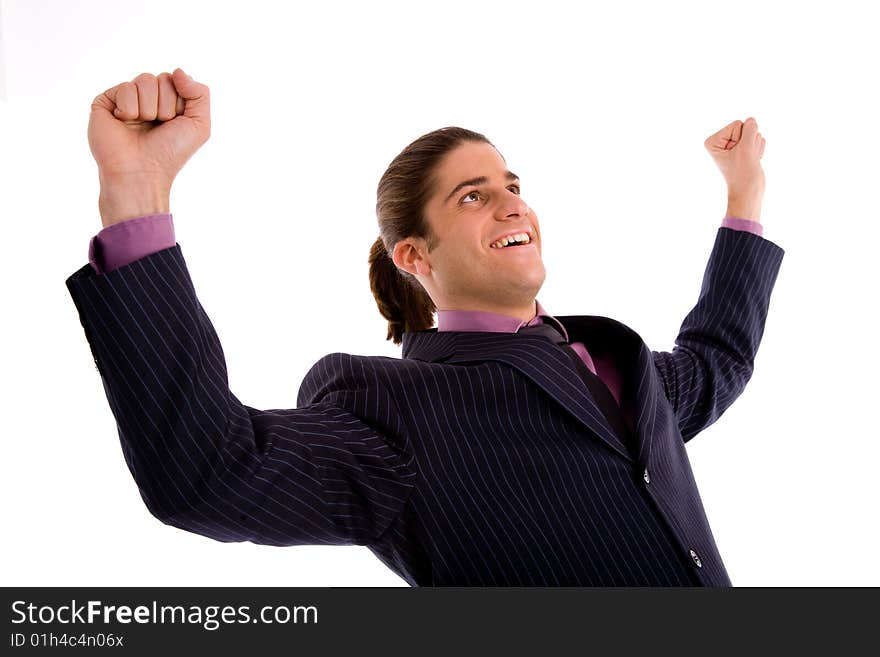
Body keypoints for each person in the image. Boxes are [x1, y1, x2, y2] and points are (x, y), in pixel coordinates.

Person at [66, 69, 784, 586]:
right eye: (474, 195)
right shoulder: (392, 409)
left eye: (512, 185)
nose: (512, 206)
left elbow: (718, 355)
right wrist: (136, 197)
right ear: (414, 255)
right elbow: (209, 472)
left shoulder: (623, 368)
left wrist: (743, 193)